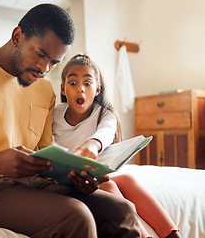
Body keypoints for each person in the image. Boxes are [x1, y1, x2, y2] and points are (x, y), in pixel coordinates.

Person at [0, 3, 141, 238]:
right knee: (76, 216)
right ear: (17, 36)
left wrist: (77, 178)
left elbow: (44, 149)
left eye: (55, 62)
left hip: (35, 181)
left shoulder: (44, 88)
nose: (44, 68)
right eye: (41, 55)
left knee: (122, 210)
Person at [52, 54, 182, 238]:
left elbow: (106, 132)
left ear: (97, 89)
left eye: (87, 83)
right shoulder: (54, 115)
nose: (80, 89)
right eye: (72, 83)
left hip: (93, 177)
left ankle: (173, 234)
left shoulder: (105, 113)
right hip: (66, 182)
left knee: (127, 179)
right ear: (63, 89)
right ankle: (142, 235)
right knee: (108, 187)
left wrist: (93, 144)